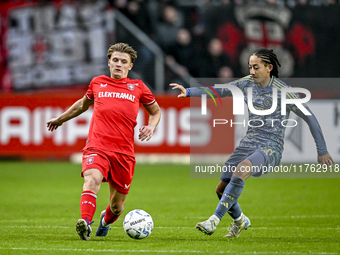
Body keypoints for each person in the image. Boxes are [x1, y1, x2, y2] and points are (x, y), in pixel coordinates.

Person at [170, 48, 334, 238]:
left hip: (271, 147)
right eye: (250, 67)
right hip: (248, 143)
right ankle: (240, 221)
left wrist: (321, 150)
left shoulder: (284, 92)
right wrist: (190, 91)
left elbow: (310, 118)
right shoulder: (246, 83)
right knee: (221, 190)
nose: (252, 72)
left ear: (269, 67)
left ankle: (213, 220)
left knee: (241, 169)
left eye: (256, 67)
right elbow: (220, 91)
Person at [47, 43, 161, 241]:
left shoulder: (139, 87)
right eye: (115, 60)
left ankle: (105, 221)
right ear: (109, 62)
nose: (118, 64)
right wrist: (60, 119)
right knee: (91, 181)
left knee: (117, 207)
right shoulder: (98, 83)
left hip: (124, 153)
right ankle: (86, 224)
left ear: (130, 66)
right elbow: (83, 105)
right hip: (97, 146)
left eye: (123, 61)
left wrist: (151, 127)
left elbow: (156, 111)